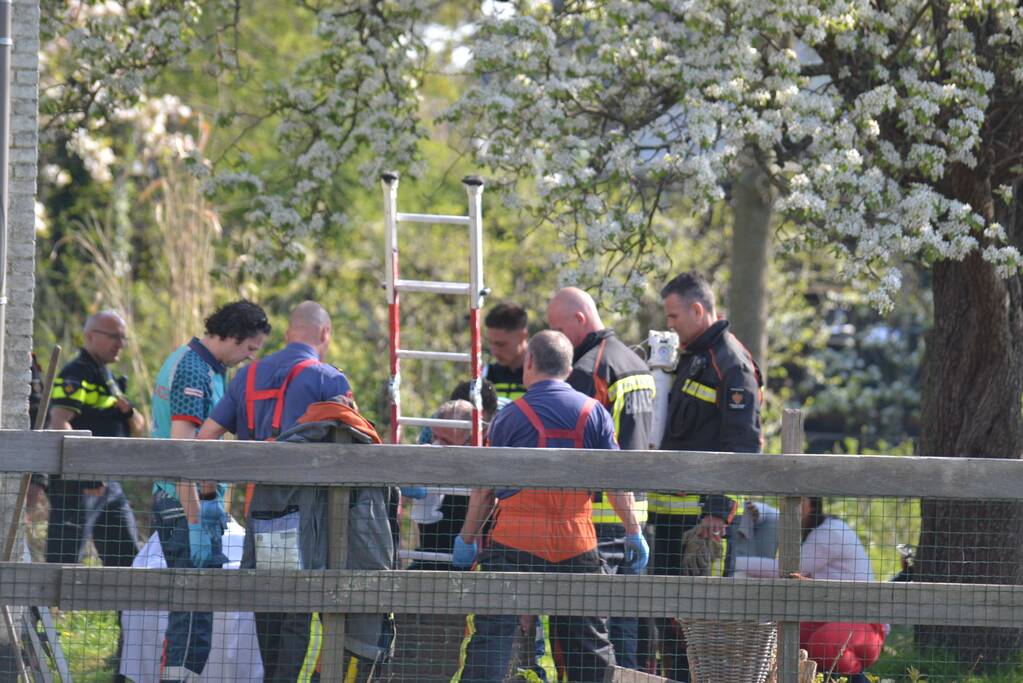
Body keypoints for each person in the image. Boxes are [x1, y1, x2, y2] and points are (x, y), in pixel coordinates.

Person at [452, 331, 649, 683]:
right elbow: (616, 481)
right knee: (589, 646)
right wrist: (633, 531)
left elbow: (485, 491)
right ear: (569, 369)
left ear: (529, 362)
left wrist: (467, 538)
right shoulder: (594, 413)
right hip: (577, 544)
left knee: (493, 636)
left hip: (515, 544)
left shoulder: (510, 417)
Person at [196, 300, 359, 682]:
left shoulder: (246, 376)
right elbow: (357, 448)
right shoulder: (329, 380)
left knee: (267, 599)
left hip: (261, 511)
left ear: (287, 334)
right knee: (297, 609)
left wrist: (209, 498)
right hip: (309, 516)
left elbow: (205, 438)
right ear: (325, 334)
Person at [149, 300, 271, 683]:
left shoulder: (202, 366)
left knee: (193, 611)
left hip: (190, 501)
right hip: (182, 504)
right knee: (192, 613)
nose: (250, 357)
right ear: (232, 336)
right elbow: (184, 451)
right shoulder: (193, 369)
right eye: (249, 348)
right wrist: (196, 518)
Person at [650, 272, 763, 682]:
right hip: (669, 516)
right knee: (667, 619)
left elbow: (743, 446)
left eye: (674, 316)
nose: (670, 325)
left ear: (698, 310)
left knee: (699, 626)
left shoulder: (731, 365)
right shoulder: (693, 357)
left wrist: (717, 512)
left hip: (701, 523)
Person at [546, 287, 655, 671]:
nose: (557, 339)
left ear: (579, 319)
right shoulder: (636, 363)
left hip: (596, 520)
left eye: (559, 329)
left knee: (589, 631)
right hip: (635, 517)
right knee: (625, 627)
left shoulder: (589, 370)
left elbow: (579, 446)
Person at [734, 498, 885, 682]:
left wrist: (733, 562)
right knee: (779, 638)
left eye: (799, 502)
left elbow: (786, 570)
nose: (791, 507)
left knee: (826, 644)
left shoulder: (830, 533)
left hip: (867, 625)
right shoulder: (817, 526)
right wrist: (761, 510)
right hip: (828, 615)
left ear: (812, 506)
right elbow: (788, 514)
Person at [46, 310, 144, 567]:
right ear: (90, 336)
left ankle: (126, 597)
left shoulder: (106, 376)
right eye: (114, 337)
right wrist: (85, 472)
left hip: (108, 482)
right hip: (80, 483)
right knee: (63, 562)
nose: (120, 344)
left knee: (127, 561)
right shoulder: (77, 373)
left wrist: (128, 411)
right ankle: (51, 598)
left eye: (123, 338)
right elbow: (59, 422)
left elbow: (138, 425)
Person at [483, 302, 529, 401]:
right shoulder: (487, 374)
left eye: (500, 344)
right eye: (490, 343)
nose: (494, 351)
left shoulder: (543, 374)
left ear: (522, 336)